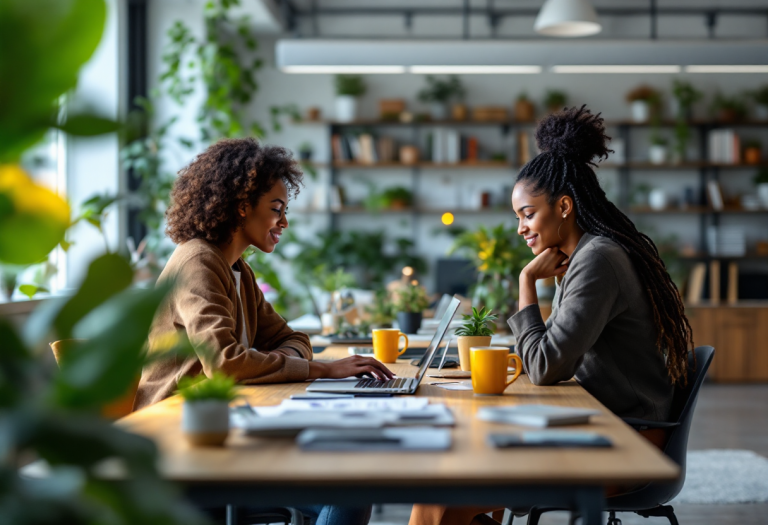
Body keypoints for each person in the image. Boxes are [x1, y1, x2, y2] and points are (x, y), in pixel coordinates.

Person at [409, 106, 694, 525]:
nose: (521, 228)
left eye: (528, 214)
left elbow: (544, 366)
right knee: (443, 489)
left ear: (563, 206)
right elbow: (548, 355)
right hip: (599, 424)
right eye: (517, 217)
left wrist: (526, 281)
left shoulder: (598, 259)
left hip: (627, 442)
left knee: (443, 499)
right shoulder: (581, 257)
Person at [135, 138, 393, 525]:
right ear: (241, 206)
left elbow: (292, 340)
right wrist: (322, 369)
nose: (284, 222)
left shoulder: (237, 268)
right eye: (276, 209)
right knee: (349, 489)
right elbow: (225, 363)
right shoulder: (198, 261)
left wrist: (276, 361)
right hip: (181, 445)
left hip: (223, 428)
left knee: (350, 480)